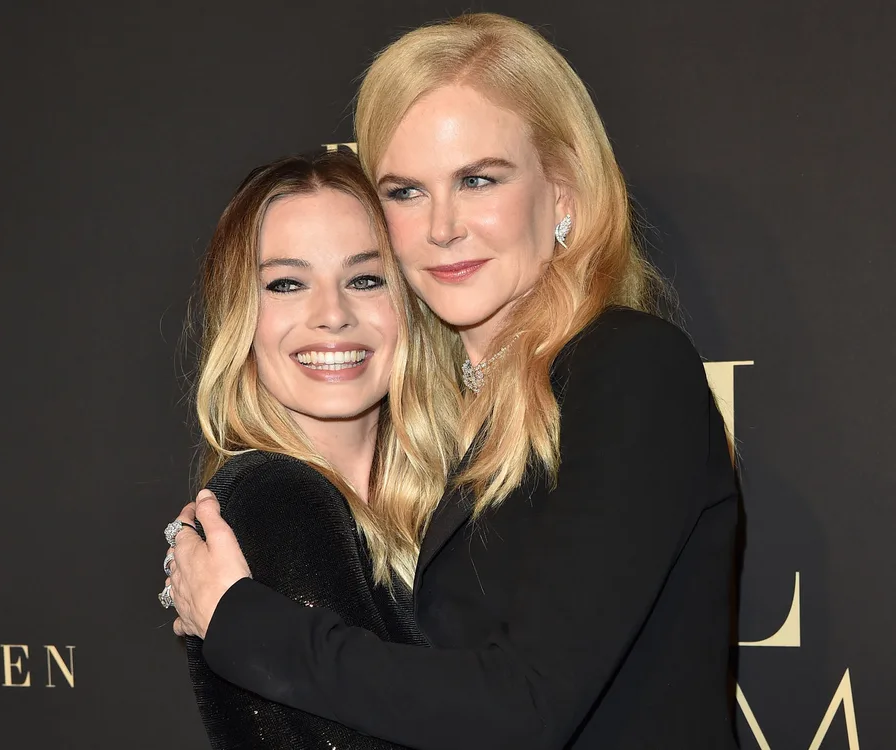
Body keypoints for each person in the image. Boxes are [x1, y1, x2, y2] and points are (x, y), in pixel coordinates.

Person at [166, 13, 740, 749]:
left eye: (477, 180)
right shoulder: (459, 426)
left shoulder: (626, 368)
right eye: (405, 192)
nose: (441, 227)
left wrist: (242, 621)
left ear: (563, 194)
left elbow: (524, 708)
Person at [161, 150, 430, 749]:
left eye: (365, 279)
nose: (332, 315)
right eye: (287, 283)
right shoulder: (273, 499)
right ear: (241, 316)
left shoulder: (447, 503)